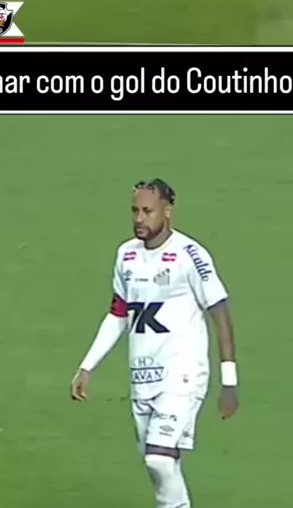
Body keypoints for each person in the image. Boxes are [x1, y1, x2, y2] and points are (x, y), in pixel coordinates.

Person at [71, 179, 239, 508]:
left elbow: (220, 315)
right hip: (142, 379)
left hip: (182, 375)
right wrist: (87, 366)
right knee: (162, 463)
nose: (139, 219)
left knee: (158, 458)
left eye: (148, 211)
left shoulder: (190, 255)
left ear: (168, 211)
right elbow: (119, 315)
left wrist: (229, 382)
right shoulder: (126, 255)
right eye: (135, 211)